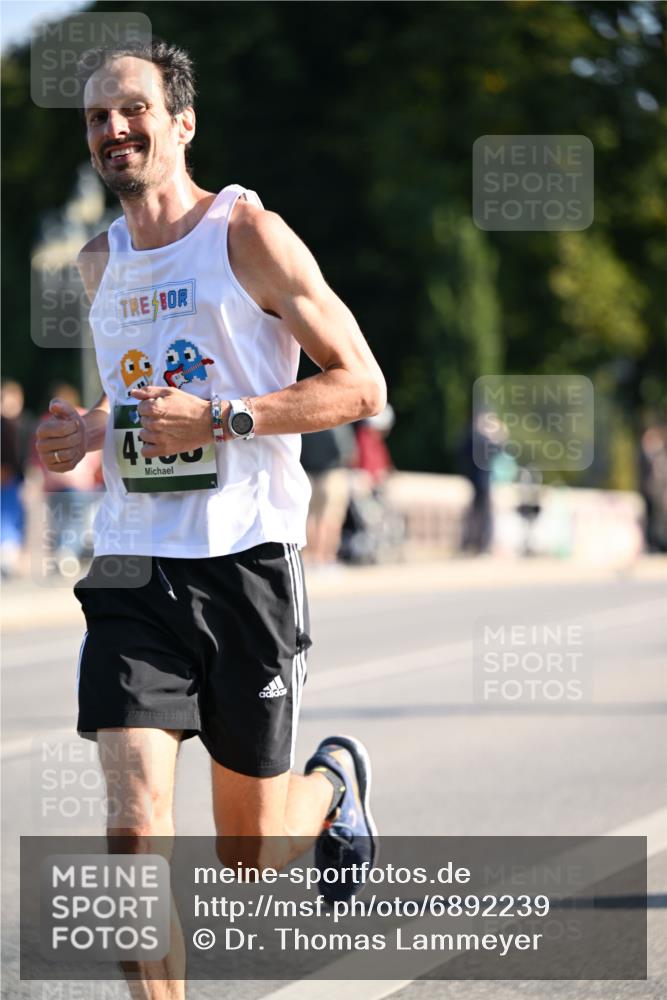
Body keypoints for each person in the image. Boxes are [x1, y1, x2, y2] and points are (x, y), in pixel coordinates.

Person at [35, 39, 385, 998]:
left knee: (249, 857)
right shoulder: (98, 263)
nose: (113, 129)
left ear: (180, 124)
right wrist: (85, 433)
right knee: (135, 829)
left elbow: (360, 385)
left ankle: (328, 790)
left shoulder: (249, 238)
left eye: (133, 110)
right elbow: (144, 400)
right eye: (97, 116)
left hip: (246, 563)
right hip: (132, 570)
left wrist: (229, 416)